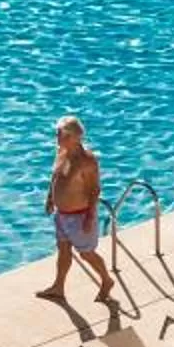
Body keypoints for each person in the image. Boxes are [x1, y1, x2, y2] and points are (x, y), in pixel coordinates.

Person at [39, 115, 116, 309]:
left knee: (86, 254)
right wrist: (50, 198)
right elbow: (55, 177)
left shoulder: (86, 161)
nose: (58, 137)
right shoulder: (61, 152)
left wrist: (90, 217)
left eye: (62, 134)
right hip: (61, 214)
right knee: (63, 250)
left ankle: (106, 280)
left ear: (75, 137)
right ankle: (58, 287)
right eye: (57, 133)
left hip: (79, 216)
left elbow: (94, 190)